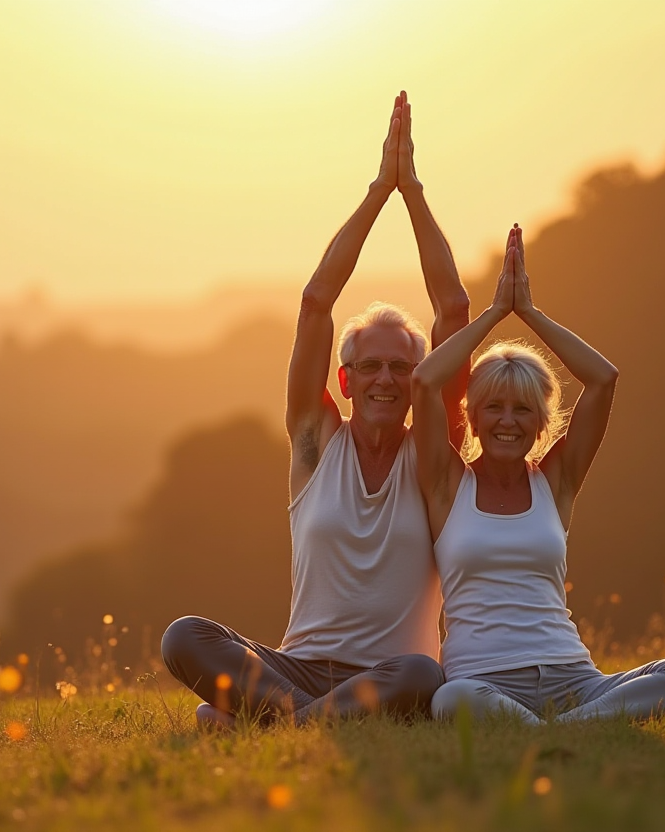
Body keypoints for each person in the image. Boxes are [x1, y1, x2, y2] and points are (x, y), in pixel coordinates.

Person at [161, 91, 468, 727]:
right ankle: (311, 718)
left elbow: (453, 313)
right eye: (371, 366)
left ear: (421, 383)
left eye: (402, 367)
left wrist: (413, 193)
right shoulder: (315, 443)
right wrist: (378, 190)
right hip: (295, 667)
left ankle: (273, 722)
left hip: (391, 672)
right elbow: (315, 303)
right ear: (345, 381)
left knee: (422, 673)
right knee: (184, 636)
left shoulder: (433, 453)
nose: (387, 378)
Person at [413, 224, 665, 723]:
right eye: (493, 407)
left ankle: (560, 727)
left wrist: (529, 313)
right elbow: (424, 381)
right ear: (472, 414)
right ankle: (571, 727)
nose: (507, 421)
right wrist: (494, 314)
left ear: (540, 423)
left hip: (574, 675)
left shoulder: (555, 482)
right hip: (482, 680)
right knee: (450, 700)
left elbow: (604, 379)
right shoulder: (448, 485)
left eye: (522, 410)